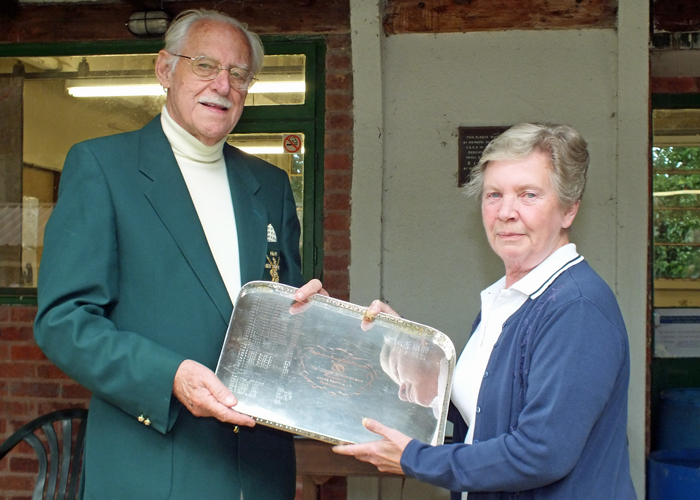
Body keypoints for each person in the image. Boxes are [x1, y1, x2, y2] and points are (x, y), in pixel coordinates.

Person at [34, 9, 308, 500]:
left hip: (261, 473)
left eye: (239, 74)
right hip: (152, 467)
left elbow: (282, 315)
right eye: (204, 65)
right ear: (165, 70)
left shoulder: (270, 186)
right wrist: (169, 377)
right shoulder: (103, 167)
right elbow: (64, 320)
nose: (222, 85)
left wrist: (330, 327)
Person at [303, 123, 637, 499]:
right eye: (494, 194)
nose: (506, 212)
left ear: (569, 211)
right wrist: (417, 352)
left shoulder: (577, 308)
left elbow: (541, 454)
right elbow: (489, 411)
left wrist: (416, 459)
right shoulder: (507, 299)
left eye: (528, 194)